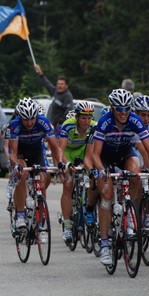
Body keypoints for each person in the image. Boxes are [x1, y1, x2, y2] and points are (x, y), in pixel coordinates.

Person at [90, 88, 149, 265]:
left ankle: (128, 209)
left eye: (127, 109)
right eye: (119, 109)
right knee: (106, 195)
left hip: (124, 153)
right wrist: (101, 170)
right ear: (112, 108)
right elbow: (95, 155)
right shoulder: (104, 122)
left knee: (135, 173)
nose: (123, 113)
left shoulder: (135, 120)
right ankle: (104, 245)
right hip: (104, 156)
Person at [8, 98, 63, 235]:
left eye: (32, 118)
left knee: (43, 183)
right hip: (20, 153)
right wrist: (16, 165)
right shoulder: (15, 125)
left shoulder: (43, 122)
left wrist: (60, 162)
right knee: (23, 175)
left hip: (37, 152)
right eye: (26, 119)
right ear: (20, 117)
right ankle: (20, 214)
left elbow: (55, 147)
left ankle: (40, 215)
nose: (30, 122)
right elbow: (13, 152)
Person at [58, 101, 96, 242]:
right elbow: (60, 148)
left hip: (83, 153)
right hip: (68, 152)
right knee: (68, 185)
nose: (86, 121)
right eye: (83, 118)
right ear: (77, 117)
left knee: (93, 179)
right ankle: (67, 225)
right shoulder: (68, 125)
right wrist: (66, 163)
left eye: (89, 117)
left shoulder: (94, 127)